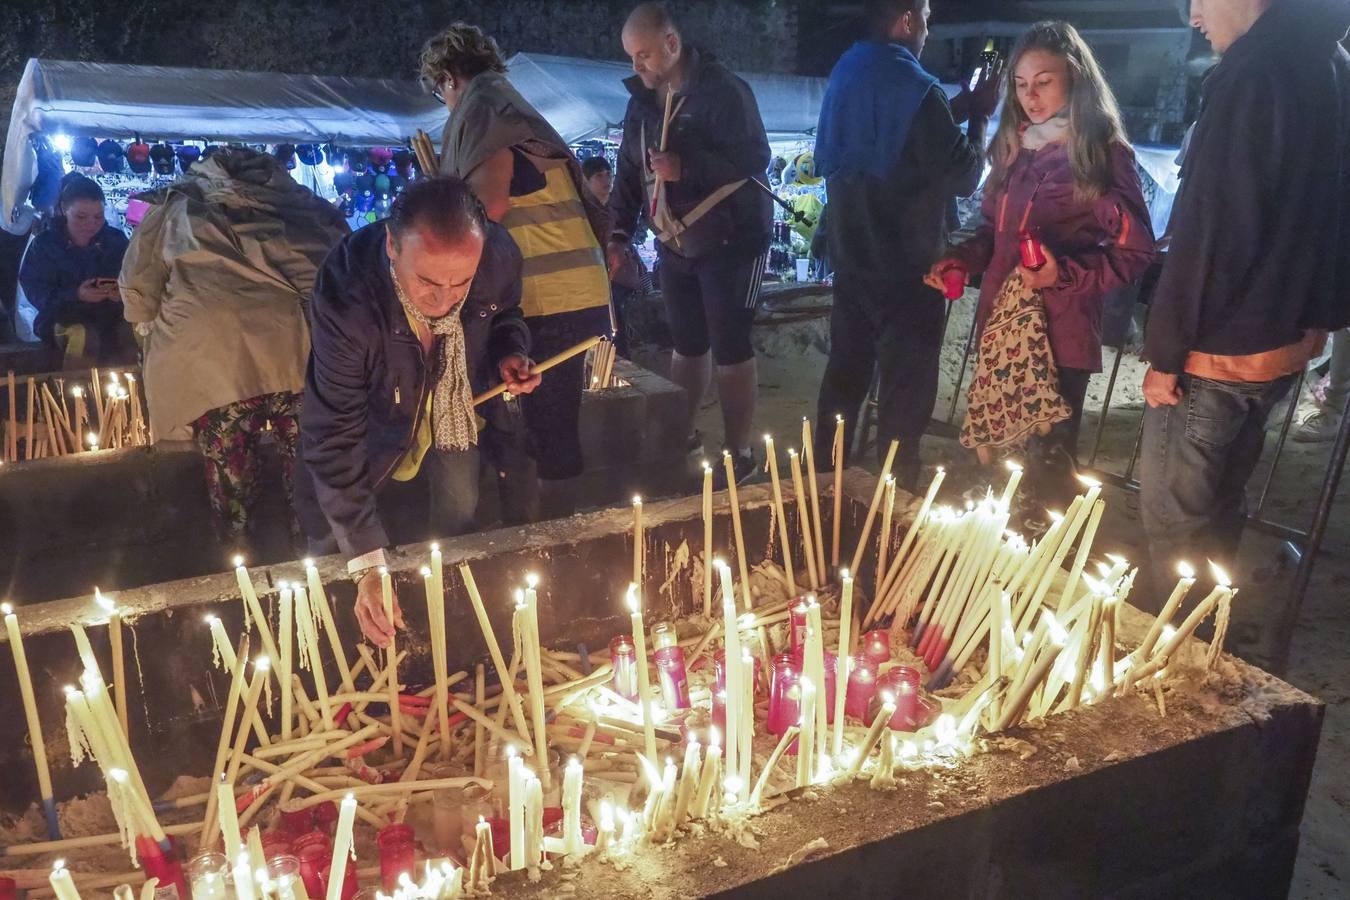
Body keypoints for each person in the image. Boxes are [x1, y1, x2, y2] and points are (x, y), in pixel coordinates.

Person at [1137, 0, 1350, 611]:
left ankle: (1164, 674)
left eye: (1200, 0)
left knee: (1174, 529)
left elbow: (1216, 229)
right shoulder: (1331, 63)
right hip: (1283, 343)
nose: (1195, 18)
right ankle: (1204, 656)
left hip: (1218, 351)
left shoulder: (1254, 75)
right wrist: (1320, 320)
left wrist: (1165, 351)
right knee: (1220, 511)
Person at [293, 178, 539, 645]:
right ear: (391, 244)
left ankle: (445, 628)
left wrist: (510, 351)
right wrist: (366, 562)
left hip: (452, 414)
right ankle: (339, 639)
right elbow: (333, 428)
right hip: (371, 420)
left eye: (461, 283)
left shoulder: (497, 256)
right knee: (336, 538)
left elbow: (506, 313)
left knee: (459, 509)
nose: (444, 299)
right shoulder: (348, 295)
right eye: (427, 281)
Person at [930, 20, 1154, 508]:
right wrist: (960, 260)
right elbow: (993, 234)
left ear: (1074, 78)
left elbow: (1135, 251)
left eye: (1044, 82)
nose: (1031, 96)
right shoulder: (1015, 149)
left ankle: (1041, 574)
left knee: (1045, 472)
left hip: (1060, 337)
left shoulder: (1101, 153)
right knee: (994, 470)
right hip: (1002, 331)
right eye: (1021, 84)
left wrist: (1063, 273)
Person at [424, 23, 612, 520]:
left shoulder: (484, 108)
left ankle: (557, 542)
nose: (443, 102)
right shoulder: (506, 102)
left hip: (551, 298)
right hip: (563, 292)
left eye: (438, 91)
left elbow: (489, 202)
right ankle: (544, 531)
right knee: (544, 422)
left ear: (448, 78)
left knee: (549, 426)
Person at [119, 148, 349, 544]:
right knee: (308, 460)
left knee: (231, 467)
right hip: (301, 356)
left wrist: (146, 327)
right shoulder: (309, 210)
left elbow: (137, 292)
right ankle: (314, 551)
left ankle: (238, 553)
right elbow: (348, 271)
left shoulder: (176, 209)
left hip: (214, 363)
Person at [812, 0, 996, 491]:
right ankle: (894, 497)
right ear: (907, 19)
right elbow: (963, 174)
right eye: (927, 20)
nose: (928, 32)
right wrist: (978, 116)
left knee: (844, 379)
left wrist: (952, 109)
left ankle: (821, 491)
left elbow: (888, 139)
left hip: (852, 261)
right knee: (904, 394)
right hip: (912, 271)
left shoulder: (846, 74)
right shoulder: (918, 89)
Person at [610, 1, 773, 486]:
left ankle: (738, 452)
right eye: (631, 58)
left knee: (731, 348)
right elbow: (628, 172)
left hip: (731, 240)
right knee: (687, 346)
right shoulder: (640, 102)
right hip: (674, 244)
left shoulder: (724, 92)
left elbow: (755, 157)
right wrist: (619, 232)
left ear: (672, 44)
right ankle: (680, 438)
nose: (636, 67)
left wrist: (687, 167)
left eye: (642, 55)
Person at [19, 175, 136, 367]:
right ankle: (78, 394)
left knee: (133, 334)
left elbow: (133, 277)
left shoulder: (116, 241)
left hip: (111, 315)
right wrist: (76, 295)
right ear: (65, 210)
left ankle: (133, 392)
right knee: (84, 337)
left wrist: (122, 293)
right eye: (81, 217)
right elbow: (35, 289)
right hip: (62, 317)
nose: (91, 224)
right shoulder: (45, 245)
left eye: (98, 217)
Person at [583, 155, 646, 358]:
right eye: (599, 175)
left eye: (609, 174)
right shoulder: (582, 211)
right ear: (586, 181)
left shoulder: (620, 209)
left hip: (619, 276)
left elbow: (639, 233)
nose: (606, 180)